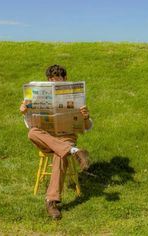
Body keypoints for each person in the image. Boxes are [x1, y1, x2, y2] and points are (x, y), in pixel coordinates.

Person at [20, 64, 92, 220]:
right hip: (47, 137)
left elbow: (87, 128)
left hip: (66, 137)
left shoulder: (75, 96)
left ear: (65, 79)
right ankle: (74, 152)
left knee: (60, 154)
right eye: (51, 80)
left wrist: (85, 117)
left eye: (58, 79)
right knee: (32, 132)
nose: (55, 82)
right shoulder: (37, 95)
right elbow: (30, 125)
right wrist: (25, 113)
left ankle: (51, 202)